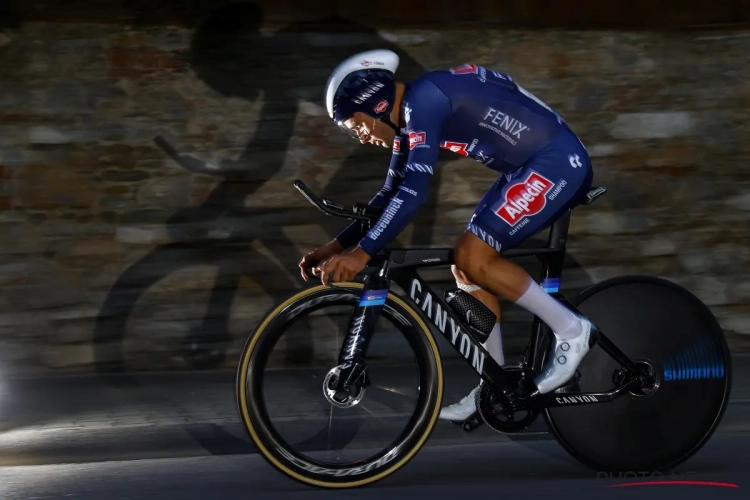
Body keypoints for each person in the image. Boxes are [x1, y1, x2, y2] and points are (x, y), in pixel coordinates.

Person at [299, 49, 595, 424]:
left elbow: (413, 194)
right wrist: (333, 247)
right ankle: (495, 383)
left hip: (556, 161)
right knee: (466, 268)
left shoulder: (423, 101)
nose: (358, 135)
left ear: (374, 104)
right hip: (527, 166)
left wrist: (361, 254)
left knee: (473, 256)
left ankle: (572, 329)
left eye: (355, 124)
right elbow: (389, 194)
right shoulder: (410, 119)